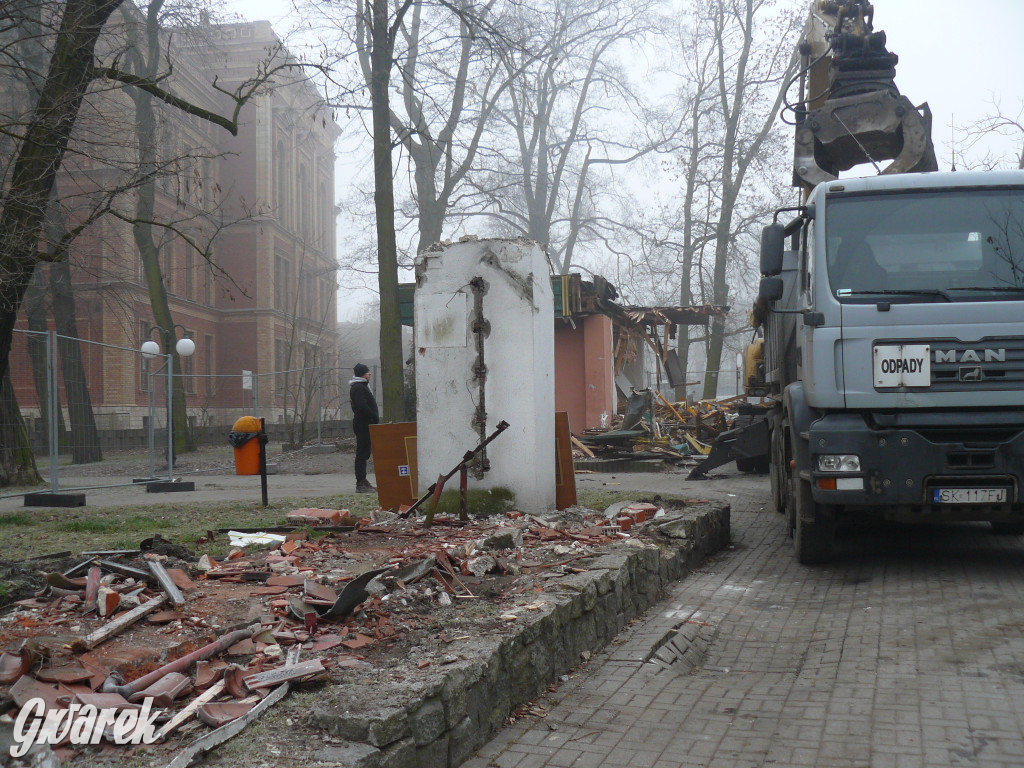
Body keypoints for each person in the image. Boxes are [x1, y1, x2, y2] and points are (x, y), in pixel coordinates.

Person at [349, 363, 379, 492]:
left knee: (365, 453)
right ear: (362, 374)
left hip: (364, 423)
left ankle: (364, 481)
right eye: (367, 372)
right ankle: (360, 483)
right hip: (363, 424)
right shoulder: (359, 388)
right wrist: (373, 416)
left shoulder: (360, 386)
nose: (370, 374)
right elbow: (362, 406)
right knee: (362, 454)